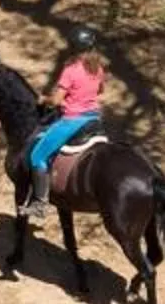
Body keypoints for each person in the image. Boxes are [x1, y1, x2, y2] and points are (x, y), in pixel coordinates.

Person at [20, 33, 109, 219]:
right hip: (94, 120)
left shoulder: (71, 70)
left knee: (37, 156)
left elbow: (56, 101)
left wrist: (44, 99)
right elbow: (100, 90)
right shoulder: (98, 68)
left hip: (73, 120)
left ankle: (40, 204)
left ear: (73, 48)